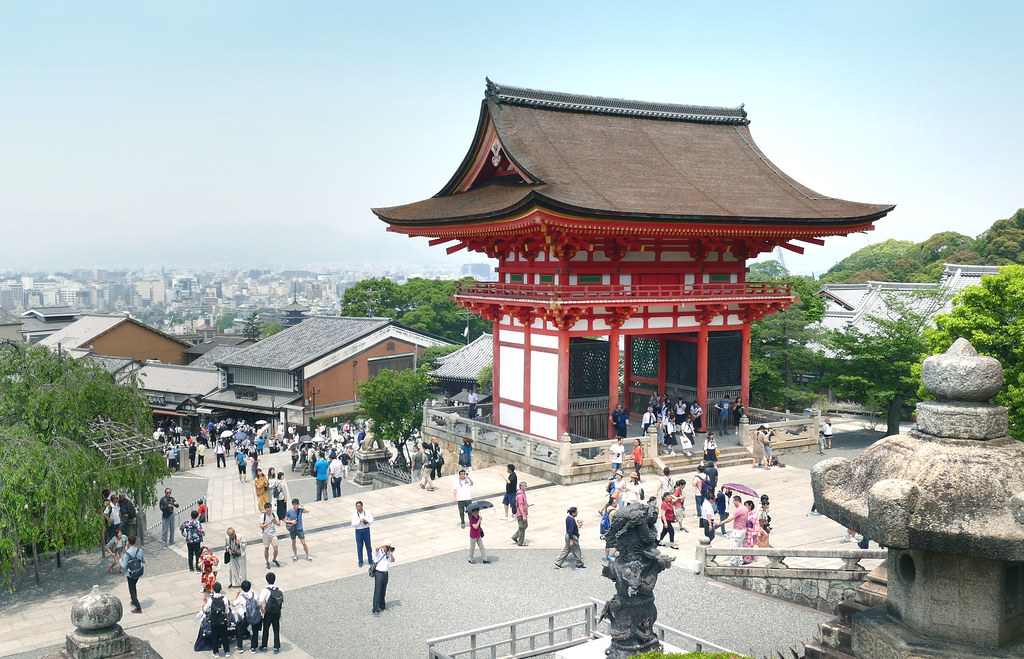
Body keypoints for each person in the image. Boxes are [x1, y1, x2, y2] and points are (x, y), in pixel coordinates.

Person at [716, 495, 749, 566]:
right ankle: (740, 561)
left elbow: (729, 519)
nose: (733, 503)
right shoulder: (745, 508)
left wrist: (720, 523)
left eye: (734, 502)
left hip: (738, 530)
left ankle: (733, 563)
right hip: (743, 530)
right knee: (739, 546)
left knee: (734, 546)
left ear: (736, 501)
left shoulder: (739, 510)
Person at [202, 581, 232, 657]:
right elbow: (227, 611)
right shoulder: (224, 598)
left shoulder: (211, 599)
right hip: (222, 620)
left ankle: (216, 652)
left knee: (214, 636)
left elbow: (205, 609)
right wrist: (227, 619)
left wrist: (204, 601)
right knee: (224, 636)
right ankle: (227, 651)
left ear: (213, 589)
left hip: (214, 620)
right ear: (221, 589)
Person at [232, 580, 261, 654]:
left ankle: (240, 647)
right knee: (255, 632)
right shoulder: (255, 595)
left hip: (247, 616)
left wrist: (237, 594)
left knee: (240, 630)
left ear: (242, 588)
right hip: (255, 615)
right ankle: (253, 648)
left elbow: (233, 604)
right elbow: (259, 603)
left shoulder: (242, 597)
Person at [258, 572, 284, 653]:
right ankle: (276, 647)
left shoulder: (265, 591)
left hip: (268, 612)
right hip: (277, 612)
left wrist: (263, 610)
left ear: (267, 580)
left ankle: (264, 646)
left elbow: (260, 603)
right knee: (276, 629)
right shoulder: (279, 589)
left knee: (266, 629)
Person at [120, 534, 144, 613]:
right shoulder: (139, 551)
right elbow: (144, 561)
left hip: (130, 574)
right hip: (138, 572)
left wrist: (121, 559)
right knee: (134, 586)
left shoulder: (127, 554)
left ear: (128, 543)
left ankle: (138, 608)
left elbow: (123, 566)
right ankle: (134, 600)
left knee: (132, 590)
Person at [371, 541, 395, 616]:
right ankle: (375, 608)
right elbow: (376, 548)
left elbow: (393, 560)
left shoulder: (388, 553)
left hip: (385, 573)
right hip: (379, 573)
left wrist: (391, 553)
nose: (388, 548)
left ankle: (382, 605)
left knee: (383, 590)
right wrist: (384, 545)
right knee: (378, 590)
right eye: (387, 546)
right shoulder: (379, 552)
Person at [260, 502, 282, 570]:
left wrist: (275, 521)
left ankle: (274, 559)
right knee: (266, 549)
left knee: (276, 549)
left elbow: (279, 524)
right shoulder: (262, 516)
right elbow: (261, 526)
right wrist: (270, 522)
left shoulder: (274, 514)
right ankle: (267, 562)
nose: (269, 509)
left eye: (270, 508)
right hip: (266, 535)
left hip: (273, 534)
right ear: (265, 509)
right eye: (267, 508)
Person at [352, 501, 373, 567]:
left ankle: (370, 560)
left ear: (362, 506)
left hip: (366, 530)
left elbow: (372, 519)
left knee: (368, 546)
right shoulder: (354, 514)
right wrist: (359, 521)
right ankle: (360, 561)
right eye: (356, 506)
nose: (357, 508)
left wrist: (367, 521)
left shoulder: (367, 512)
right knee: (359, 547)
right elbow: (353, 524)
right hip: (359, 531)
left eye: (358, 506)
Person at [511, 482, 529, 546]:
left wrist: (527, 505)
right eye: (525, 486)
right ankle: (520, 542)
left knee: (525, 526)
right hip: (521, 514)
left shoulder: (522, 494)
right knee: (522, 528)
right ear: (522, 487)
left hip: (523, 513)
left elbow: (523, 504)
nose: (526, 487)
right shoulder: (520, 495)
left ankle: (515, 536)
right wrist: (523, 515)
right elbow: (520, 506)